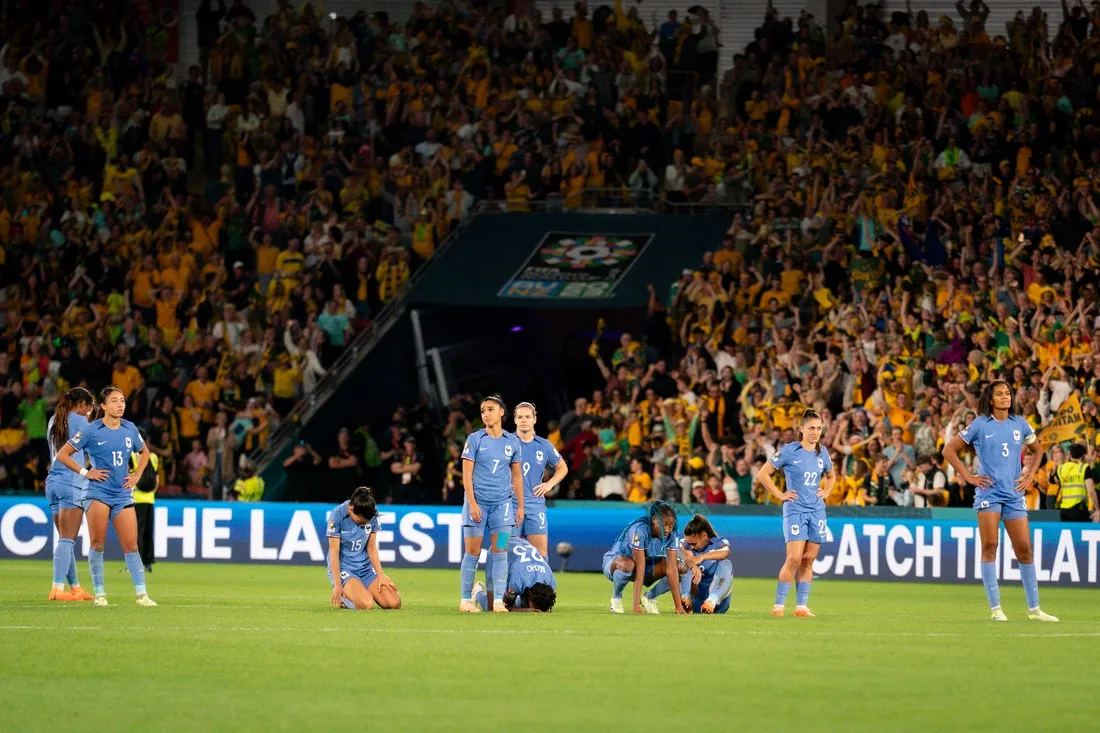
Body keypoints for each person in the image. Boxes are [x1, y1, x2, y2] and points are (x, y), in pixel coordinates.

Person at [943, 380, 1058, 622]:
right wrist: (969, 477)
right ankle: (996, 609)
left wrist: (1029, 476)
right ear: (991, 399)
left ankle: (1034, 610)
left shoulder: (1020, 423)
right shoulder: (980, 425)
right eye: (1000, 394)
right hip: (989, 493)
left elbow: (1039, 451)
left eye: (1008, 393)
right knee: (990, 546)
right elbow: (948, 450)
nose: (1006, 397)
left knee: (1025, 550)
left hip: (1014, 494)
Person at [55, 386, 156, 607]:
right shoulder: (92, 430)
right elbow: (63, 454)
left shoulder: (130, 428)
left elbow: (145, 452)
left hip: (122, 494)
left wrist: (137, 475)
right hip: (97, 493)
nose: (120, 405)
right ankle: (100, 594)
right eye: (114, 401)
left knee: (131, 545)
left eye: (122, 401)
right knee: (98, 544)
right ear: (103, 406)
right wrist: (86, 472)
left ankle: (142, 595)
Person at [755, 409, 836, 618]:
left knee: (809, 559)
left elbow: (831, 476)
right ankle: (779, 606)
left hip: (817, 511)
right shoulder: (789, 451)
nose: (815, 432)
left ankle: (801, 606)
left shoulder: (823, 453)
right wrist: (780, 494)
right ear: (801, 429)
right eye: (811, 428)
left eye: (818, 429)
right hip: (796, 510)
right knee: (794, 559)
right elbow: (763, 474)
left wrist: (826, 491)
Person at [459, 396, 523, 613]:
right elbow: (466, 476)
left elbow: (516, 478)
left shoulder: (512, 442)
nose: (486, 414)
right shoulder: (475, 439)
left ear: (502, 412)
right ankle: (466, 600)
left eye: (490, 409)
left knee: (501, 550)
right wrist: (473, 503)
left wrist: (520, 506)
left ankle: (497, 600)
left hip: (503, 508)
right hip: (477, 507)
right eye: (483, 411)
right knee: (472, 552)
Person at [44, 387, 96, 602]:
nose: (90, 412)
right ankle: (57, 589)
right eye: (89, 407)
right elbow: (95, 451)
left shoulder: (55, 419)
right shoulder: (81, 422)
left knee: (66, 540)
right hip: (71, 483)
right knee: (67, 539)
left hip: (53, 483)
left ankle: (74, 587)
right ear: (82, 405)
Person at [602, 501, 686, 615]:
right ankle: (616, 597)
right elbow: (640, 567)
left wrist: (678, 607)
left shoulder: (673, 533)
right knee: (629, 565)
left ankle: (649, 597)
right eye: (663, 525)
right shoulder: (639, 530)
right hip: (616, 563)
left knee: (680, 567)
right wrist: (635, 605)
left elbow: (672, 568)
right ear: (653, 520)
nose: (667, 529)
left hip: (644, 565)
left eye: (670, 526)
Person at [326, 487, 401, 611]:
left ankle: (360, 591)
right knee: (366, 605)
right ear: (351, 510)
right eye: (360, 522)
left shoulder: (370, 512)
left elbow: (371, 547)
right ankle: (346, 599)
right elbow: (334, 553)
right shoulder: (337, 515)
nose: (364, 525)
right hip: (345, 570)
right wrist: (338, 585)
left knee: (394, 603)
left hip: (365, 569)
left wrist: (381, 575)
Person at [512, 401, 568, 557]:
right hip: (509, 506)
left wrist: (549, 485)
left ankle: (539, 582)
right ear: (515, 420)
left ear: (534, 419)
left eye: (528, 417)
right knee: (502, 548)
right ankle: (498, 582)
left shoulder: (544, 445)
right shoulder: (505, 442)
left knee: (540, 554)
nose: (524, 420)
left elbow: (563, 468)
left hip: (535, 506)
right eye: (520, 417)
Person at [473, 536, 557, 612]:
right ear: (530, 598)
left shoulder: (551, 584)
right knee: (492, 607)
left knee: (521, 603)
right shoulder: (517, 581)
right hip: (498, 549)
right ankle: (477, 592)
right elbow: (506, 606)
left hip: (520, 542)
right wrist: (526, 610)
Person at [677, 514, 733, 614]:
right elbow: (677, 549)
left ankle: (711, 601)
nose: (692, 547)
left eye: (694, 544)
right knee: (681, 562)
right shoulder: (685, 545)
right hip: (696, 597)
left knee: (726, 564)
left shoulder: (718, 543)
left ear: (704, 535)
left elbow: (726, 552)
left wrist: (702, 557)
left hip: (717, 600)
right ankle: (685, 599)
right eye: (689, 544)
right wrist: (692, 564)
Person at [130, 429, 161, 572]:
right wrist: (151, 493)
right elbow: (157, 479)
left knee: (137, 533)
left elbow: (126, 475)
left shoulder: (132, 456)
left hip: (136, 498)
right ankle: (148, 562)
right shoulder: (153, 457)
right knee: (149, 531)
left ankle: (136, 564)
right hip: (150, 499)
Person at [1049, 444, 1099, 523]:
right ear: (1083, 456)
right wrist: (1097, 509)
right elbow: (1091, 491)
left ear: (1069, 455)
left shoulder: (1061, 468)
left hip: (1064, 510)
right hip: (1079, 510)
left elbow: (1053, 480)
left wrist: (1055, 467)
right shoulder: (1084, 468)